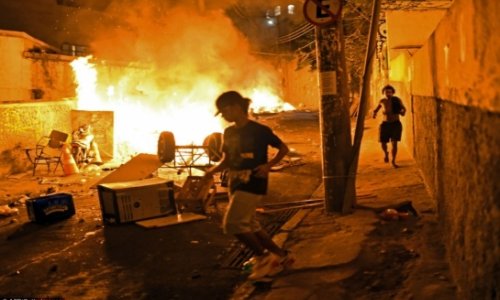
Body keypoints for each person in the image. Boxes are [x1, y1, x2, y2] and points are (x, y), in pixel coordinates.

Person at [204, 91, 294, 280]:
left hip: (253, 182)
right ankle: (282, 256)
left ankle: (263, 258)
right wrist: (211, 172)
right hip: (235, 183)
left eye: (225, 111)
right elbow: (227, 160)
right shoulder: (228, 132)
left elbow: (283, 148)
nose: (224, 116)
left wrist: (268, 166)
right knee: (250, 224)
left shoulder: (259, 131)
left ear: (237, 107)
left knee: (232, 224)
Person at [372, 85, 406, 167]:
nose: (388, 94)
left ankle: (393, 161)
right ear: (383, 93)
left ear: (393, 93)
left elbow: (404, 109)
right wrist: (374, 114)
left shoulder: (396, 100)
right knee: (383, 143)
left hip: (395, 124)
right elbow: (376, 110)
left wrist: (402, 112)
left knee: (394, 143)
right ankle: (386, 153)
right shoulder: (382, 101)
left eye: (390, 92)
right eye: (386, 92)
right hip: (385, 124)